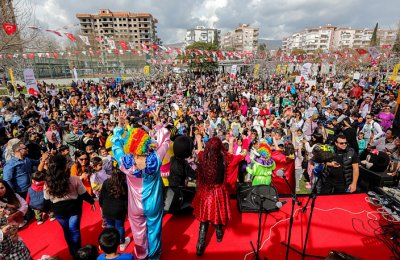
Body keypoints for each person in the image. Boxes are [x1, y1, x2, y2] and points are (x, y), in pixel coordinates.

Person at [111, 110, 169, 260]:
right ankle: (153, 257)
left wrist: (120, 125)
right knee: (154, 230)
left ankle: (142, 255)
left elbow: (115, 145)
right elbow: (165, 141)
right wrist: (158, 124)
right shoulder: (155, 159)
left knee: (138, 232)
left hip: (135, 206)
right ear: (146, 143)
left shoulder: (125, 162)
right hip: (153, 204)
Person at [44, 154, 95, 256]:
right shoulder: (74, 179)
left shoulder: (47, 183)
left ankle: (72, 252)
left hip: (59, 211)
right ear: (64, 167)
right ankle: (78, 253)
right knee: (74, 231)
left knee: (66, 231)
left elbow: (46, 200)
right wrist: (92, 202)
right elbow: (83, 194)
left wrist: (46, 210)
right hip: (74, 209)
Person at [192, 137, 233, 256]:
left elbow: (199, 151)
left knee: (203, 221)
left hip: (206, 192)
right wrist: (230, 143)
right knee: (218, 215)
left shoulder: (203, 158)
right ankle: (219, 235)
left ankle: (200, 246)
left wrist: (198, 140)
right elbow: (229, 155)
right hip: (218, 191)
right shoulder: (224, 159)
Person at [99, 167, 130, 251]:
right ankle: (122, 243)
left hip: (107, 209)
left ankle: (108, 241)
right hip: (119, 210)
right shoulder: (123, 185)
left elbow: (101, 196)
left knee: (109, 226)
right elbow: (126, 200)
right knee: (119, 226)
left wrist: (101, 206)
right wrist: (127, 211)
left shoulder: (106, 182)